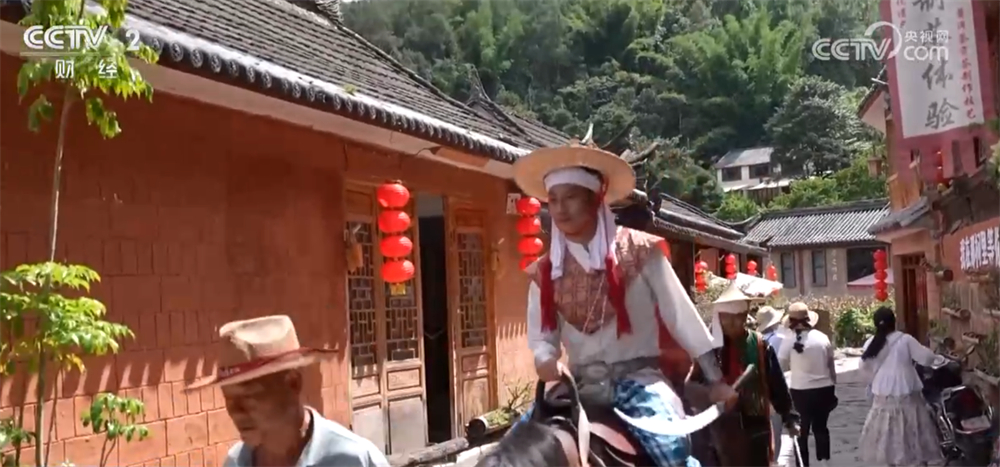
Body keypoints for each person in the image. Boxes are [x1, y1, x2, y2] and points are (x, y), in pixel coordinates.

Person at [513, 138, 737, 467]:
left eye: (571, 197)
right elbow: (543, 338)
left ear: (595, 198)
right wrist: (545, 359)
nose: (560, 209)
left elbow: (681, 317)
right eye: (554, 200)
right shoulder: (545, 271)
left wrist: (715, 380)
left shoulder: (640, 251)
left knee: (671, 452)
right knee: (513, 451)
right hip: (578, 385)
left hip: (638, 380)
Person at [186, 315, 390, 467]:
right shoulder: (235, 462)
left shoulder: (354, 460)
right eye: (229, 399)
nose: (237, 412)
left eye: (249, 396)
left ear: (293, 383)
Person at [692, 283, 799, 467]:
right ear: (719, 317)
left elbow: (777, 384)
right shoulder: (707, 349)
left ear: (745, 315)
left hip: (755, 426)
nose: (734, 323)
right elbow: (691, 386)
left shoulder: (759, 345)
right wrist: (710, 393)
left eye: (739, 317)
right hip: (717, 430)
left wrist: (790, 417)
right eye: (728, 318)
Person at [858, 306, 943, 467]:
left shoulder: (870, 343)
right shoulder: (905, 340)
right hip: (906, 392)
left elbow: (864, 368)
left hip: (883, 394)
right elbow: (926, 358)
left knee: (888, 437)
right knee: (912, 433)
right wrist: (937, 358)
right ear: (894, 322)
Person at [777, 303, 837, 467]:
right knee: (821, 428)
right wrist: (833, 385)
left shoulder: (788, 340)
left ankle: (803, 464)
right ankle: (825, 462)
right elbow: (831, 365)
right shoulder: (822, 337)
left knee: (801, 431)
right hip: (824, 388)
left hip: (800, 391)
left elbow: (780, 366)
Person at [754, 306, 787, 465]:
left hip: (759, 392)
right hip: (777, 389)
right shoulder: (779, 339)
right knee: (776, 431)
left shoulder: (755, 342)